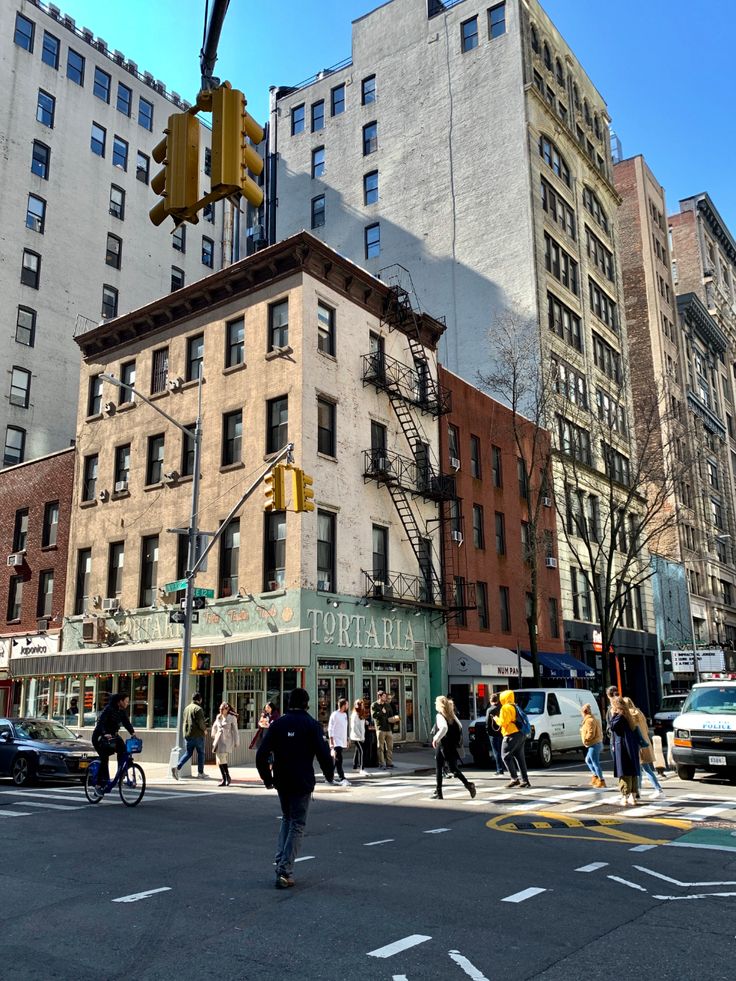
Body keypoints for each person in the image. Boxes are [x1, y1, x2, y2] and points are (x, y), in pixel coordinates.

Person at [256, 687, 335, 889]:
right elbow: (324, 754)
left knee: (287, 818)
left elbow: (261, 755)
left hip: (282, 780)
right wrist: (329, 774)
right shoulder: (312, 725)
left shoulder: (278, 724)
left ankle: (281, 858)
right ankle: (284, 869)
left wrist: (267, 778)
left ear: (288, 703)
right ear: (307, 704)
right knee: (297, 823)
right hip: (302, 780)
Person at [431, 696, 476, 800]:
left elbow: (444, 728)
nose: (435, 704)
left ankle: (439, 792)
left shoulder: (440, 716)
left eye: (436, 703)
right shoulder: (452, 715)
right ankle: (468, 784)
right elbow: (460, 726)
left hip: (442, 744)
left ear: (439, 705)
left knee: (439, 767)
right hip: (451, 745)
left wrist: (436, 738)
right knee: (453, 768)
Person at [92, 692, 135, 792]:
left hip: (113, 736)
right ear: (120, 701)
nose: (127, 703)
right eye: (126, 701)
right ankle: (99, 784)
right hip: (100, 737)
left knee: (124, 750)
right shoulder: (109, 709)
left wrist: (133, 733)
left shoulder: (122, 711)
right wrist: (104, 733)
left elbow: (126, 723)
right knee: (104, 759)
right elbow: (101, 722)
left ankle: (121, 772)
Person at [623, 696, 663, 798]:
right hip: (645, 742)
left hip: (637, 745)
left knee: (644, 769)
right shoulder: (639, 712)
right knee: (641, 768)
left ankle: (658, 789)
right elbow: (645, 727)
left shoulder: (630, 715)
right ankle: (638, 790)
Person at [609, 695, 641, 806]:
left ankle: (625, 796)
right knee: (632, 771)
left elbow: (612, 726)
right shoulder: (628, 715)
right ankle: (633, 796)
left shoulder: (619, 716)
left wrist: (613, 715)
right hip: (631, 745)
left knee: (624, 771)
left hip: (622, 746)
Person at [498, 690, 531, 789]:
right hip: (521, 733)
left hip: (510, 734)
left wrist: (496, 719)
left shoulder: (505, 707)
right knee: (520, 758)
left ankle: (514, 779)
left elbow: (503, 722)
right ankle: (525, 780)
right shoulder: (515, 706)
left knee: (505, 756)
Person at [172, 691, 208, 779]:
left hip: (188, 735)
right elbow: (200, 722)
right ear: (199, 699)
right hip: (198, 735)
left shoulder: (186, 708)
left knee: (188, 753)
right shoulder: (198, 709)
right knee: (201, 753)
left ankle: (177, 767)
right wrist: (205, 730)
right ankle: (200, 773)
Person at [211, 701, 239, 787]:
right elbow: (214, 726)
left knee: (222, 758)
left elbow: (235, 730)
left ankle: (226, 777)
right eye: (220, 709)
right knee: (219, 761)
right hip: (218, 741)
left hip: (226, 741)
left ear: (227, 709)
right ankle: (225, 777)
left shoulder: (232, 718)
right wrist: (213, 735)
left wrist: (236, 741)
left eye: (222, 709)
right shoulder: (218, 717)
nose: (221, 710)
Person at [371, 690, 399, 769]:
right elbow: (373, 715)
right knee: (380, 747)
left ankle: (389, 763)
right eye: (383, 696)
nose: (385, 698)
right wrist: (381, 712)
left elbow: (391, 715)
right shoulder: (374, 705)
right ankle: (381, 763)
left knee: (390, 747)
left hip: (388, 728)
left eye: (385, 696)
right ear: (379, 696)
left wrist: (395, 719)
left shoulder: (387, 705)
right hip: (380, 728)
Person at [580, 703, 605, 788]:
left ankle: (601, 780)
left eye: (582, 712)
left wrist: (586, 739)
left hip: (594, 744)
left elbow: (591, 733)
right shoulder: (591, 719)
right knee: (588, 760)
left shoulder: (589, 720)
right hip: (594, 743)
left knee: (595, 762)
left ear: (584, 712)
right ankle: (596, 776)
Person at [327, 698, 351, 786]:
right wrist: (331, 740)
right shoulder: (334, 714)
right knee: (339, 760)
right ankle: (342, 778)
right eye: (347, 704)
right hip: (336, 741)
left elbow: (345, 728)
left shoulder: (344, 715)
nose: (348, 706)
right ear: (343, 705)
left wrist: (347, 739)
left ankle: (329, 777)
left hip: (342, 740)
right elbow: (330, 728)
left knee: (336, 761)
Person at [485, 693, 505, 775]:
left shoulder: (490, 710)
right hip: (501, 732)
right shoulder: (502, 708)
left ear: (490, 700)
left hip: (493, 733)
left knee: (496, 751)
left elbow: (487, 723)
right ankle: (504, 767)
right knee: (501, 750)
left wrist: (487, 731)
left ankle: (499, 769)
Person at [349, 699, 367, 775]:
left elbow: (361, 725)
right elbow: (354, 727)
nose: (362, 706)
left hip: (359, 736)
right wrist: (361, 736)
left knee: (357, 751)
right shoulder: (354, 714)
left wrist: (366, 722)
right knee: (361, 751)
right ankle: (362, 768)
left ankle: (354, 766)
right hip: (356, 736)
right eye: (361, 705)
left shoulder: (360, 714)